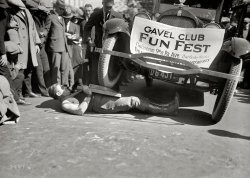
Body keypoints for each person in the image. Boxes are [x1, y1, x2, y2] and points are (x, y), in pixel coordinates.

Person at [48, 83, 179, 116]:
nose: (65, 86)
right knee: (134, 101)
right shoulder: (65, 103)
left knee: (137, 100)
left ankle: (165, 107)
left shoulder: (70, 94)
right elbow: (79, 111)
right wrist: (87, 95)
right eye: (62, 87)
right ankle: (168, 110)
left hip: (103, 98)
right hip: (103, 104)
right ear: (58, 93)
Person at [82, 0, 123, 85]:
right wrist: (89, 40)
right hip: (97, 48)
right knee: (95, 73)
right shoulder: (95, 15)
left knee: (109, 74)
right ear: (102, 4)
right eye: (106, 7)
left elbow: (124, 33)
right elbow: (87, 28)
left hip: (111, 53)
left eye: (110, 7)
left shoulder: (118, 16)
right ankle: (93, 94)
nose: (108, 9)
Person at [7, 0, 41, 98]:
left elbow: (33, 28)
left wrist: (36, 43)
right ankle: (18, 94)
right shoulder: (13, 12)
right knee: (20, 69)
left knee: (29, 69)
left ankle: (28, 91)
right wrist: (16, 45)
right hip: (20, 45)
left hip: (29, 45)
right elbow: (11, 30)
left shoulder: (27, 12)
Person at [42, 0, 71, 87]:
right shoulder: (51, 17)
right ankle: (56, 86)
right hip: (54, 46)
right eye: (61, 9)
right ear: (56, 8)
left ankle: (64, 85)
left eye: (63, 9)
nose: (63, 10)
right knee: (56, 68)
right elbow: (46, 29)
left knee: (64, 68)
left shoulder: (62, 18)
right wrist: (42, 35)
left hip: (64, 46)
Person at [27, 1, 51, 97]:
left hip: (42, 46)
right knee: (39, 69)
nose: (46, 13)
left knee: (46, 68)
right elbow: (34, 32)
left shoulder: (46, 17)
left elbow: (47, 29)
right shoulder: (33, 16)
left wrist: (43, 34)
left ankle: (48, 88)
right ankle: (43, 90)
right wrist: (40, 37)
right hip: (35, 46)